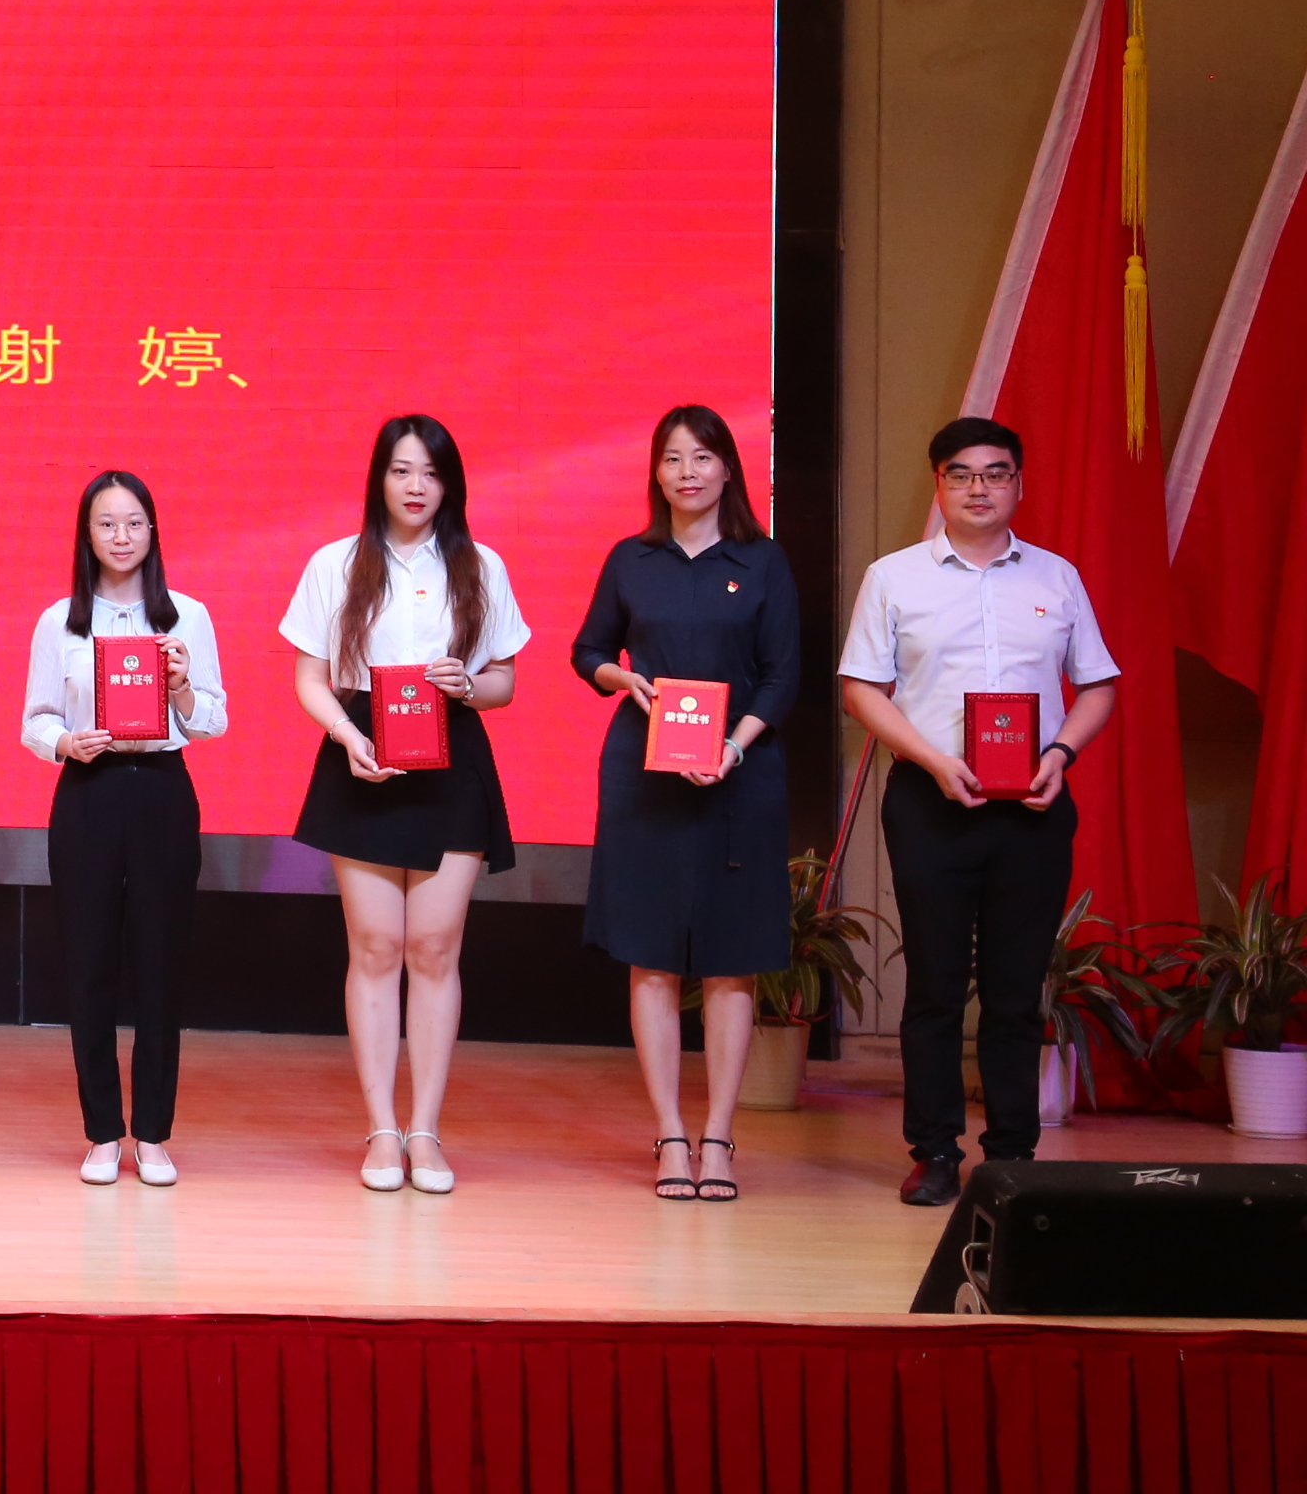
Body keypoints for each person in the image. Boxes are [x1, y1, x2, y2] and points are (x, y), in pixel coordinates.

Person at [839, 415, 1120, 1208]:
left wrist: (1059, 753)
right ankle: (934, 1152)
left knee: (1015, 989)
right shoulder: (894, 577)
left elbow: (1097, 684)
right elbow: (862, 688)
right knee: (933, 986)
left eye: (996, 473)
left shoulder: (1056, 578)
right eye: (961, 474)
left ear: (1018, 484)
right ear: (939, 484)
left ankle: (1011, 1156)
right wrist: (934, 759)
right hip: (930, 803)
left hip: (1033, 806)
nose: (978, 488)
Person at [282, 412, 530, 1196]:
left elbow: (505, 682)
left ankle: (425, 1129)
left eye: (430, 472)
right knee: (375, 947)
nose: (416, 486)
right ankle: (382, 1130)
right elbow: (310, 678)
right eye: (401, 470)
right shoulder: (336, 563)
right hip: (363, 753)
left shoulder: (481, 566)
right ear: (378, 479)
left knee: (434, 948)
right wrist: (345, 737)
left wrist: (470, 685)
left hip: (452, 757)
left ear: (449, 483)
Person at [572, 406, 799, 1204]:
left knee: (732, 960)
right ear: (656, 473)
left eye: (702, 457)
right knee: (653, 955)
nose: (687, 472)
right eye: (672, 459)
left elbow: (782, 675)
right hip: (645, 776)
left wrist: (732, 747)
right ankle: (670, 1133)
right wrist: (620, 678)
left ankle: (719, 1137)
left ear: (729, 468)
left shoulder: (762, 560)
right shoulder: (631, 558)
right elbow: (588, 650)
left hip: (741, 775)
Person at [22, 469, 227, 1187]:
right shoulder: (60, 621)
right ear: (87, 535)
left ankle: (155, 1135)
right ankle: (103, 1133)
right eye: (107, 524)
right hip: (89, 792)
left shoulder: (187, 617)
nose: (121, 536)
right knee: (88, 966)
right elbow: (35, 719)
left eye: (134, 522)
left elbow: (214, 720)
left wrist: (182, 688)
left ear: (153, 531)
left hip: (163, 791)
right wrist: (65, 743)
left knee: (161, 965)